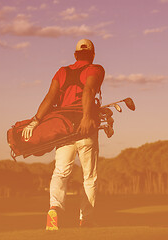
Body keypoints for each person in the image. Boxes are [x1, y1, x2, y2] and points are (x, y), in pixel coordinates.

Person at [22, 39, 105, 230]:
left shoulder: (62, 71)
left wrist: (35, 120)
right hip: (86, 129)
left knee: (60, 172)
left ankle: (54, 208)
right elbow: (89, 90)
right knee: (89, 177)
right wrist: (85, 116)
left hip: (64, 130)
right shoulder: (96, 69)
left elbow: (50, 98)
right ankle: (86, 220)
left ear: (75, 55)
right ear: (92, 55)